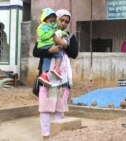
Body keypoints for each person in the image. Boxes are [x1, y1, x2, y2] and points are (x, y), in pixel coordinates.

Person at [33, 9, 78, 140]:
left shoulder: (69, 35)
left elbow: (74, 53)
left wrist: (63, 44)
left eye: (67, 22)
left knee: (58, 107)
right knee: (46, 107)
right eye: (61, 20)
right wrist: (50, 50)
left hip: (61, 78)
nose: (64, 23)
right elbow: (35, 52)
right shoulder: (45, 31)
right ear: (55, 19)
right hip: (47, 78)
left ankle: (58, 135)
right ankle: (46, 136)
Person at [37, 8, 65, 86]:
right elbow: (42, 37)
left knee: (47, 58)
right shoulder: (41, 28)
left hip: (48, 45)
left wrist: (63, 33)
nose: (52, 23)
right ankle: (56, 69)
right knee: (58, 54)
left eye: (54, 21)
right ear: (45, 20)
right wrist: (52, 33)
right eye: (51, 21)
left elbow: (58, 32)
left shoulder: (53, 27)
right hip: (45, 45)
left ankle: (44, 74)